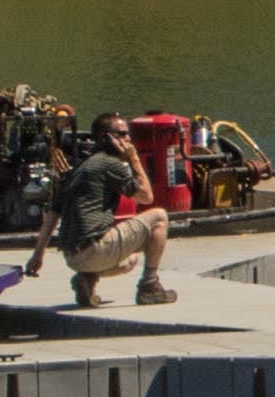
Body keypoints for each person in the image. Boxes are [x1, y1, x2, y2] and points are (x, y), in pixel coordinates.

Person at [21, 111, 175, 307]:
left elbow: (52, 214)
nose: (128, 139)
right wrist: (134, 159)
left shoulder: (80, 167)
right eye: (122, 134)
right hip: (94, 249)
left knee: (130, 261)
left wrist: (37, 255)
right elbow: (147, 197)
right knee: (159, 217)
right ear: (107, 138)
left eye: (128, 134)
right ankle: (150, 286)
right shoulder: (110, 164)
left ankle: (87, 278)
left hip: (73, 257)